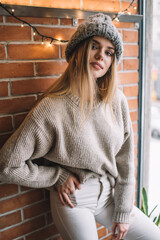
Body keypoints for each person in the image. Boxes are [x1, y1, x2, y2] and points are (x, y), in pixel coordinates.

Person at [0, 13, 160, 240]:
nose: (100, 56)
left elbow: (125, 162)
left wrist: (123, 212)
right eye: (94, 46)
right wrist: (56, 176)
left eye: (108, 52)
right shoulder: (52, 108)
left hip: (109, 197)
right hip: (74, 200)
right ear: (79, 50)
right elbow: (6, 165)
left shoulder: (117, 101)